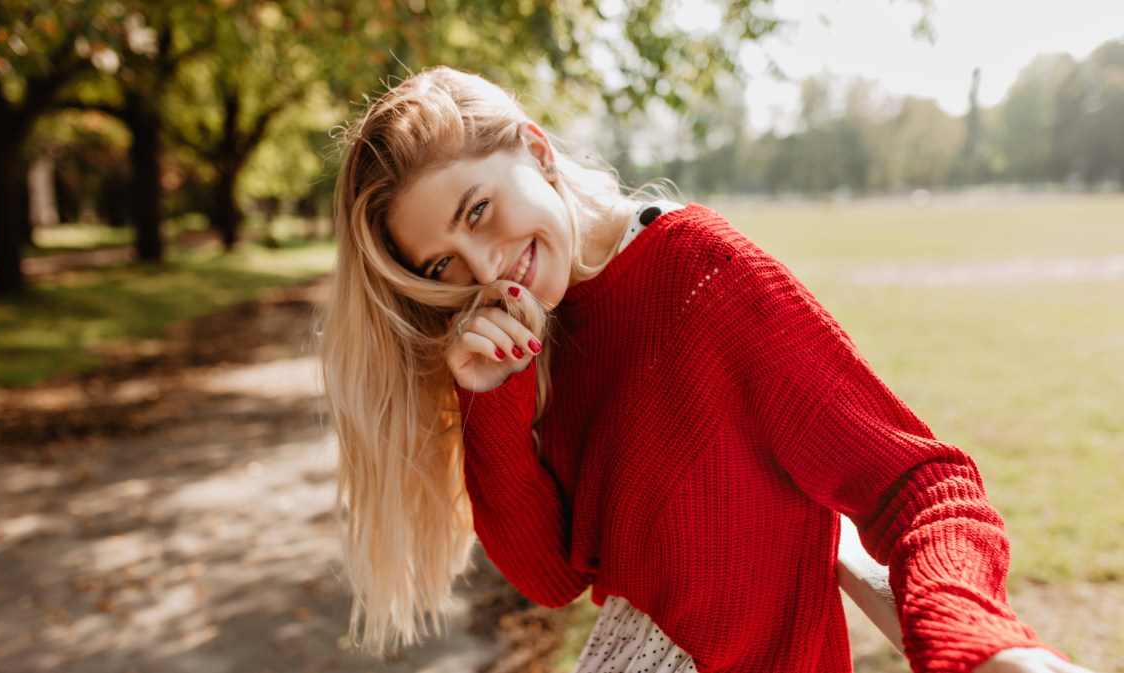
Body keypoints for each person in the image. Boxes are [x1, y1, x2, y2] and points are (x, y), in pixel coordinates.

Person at [320, 66, 1096, 673]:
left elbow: (919, 485)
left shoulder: (702, 275)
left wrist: (976, 643)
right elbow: (552, 575)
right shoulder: (540, 336)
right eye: (445, 263)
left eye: (479, 210)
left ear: (536, 148)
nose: (488, 268)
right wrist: (490, 396)